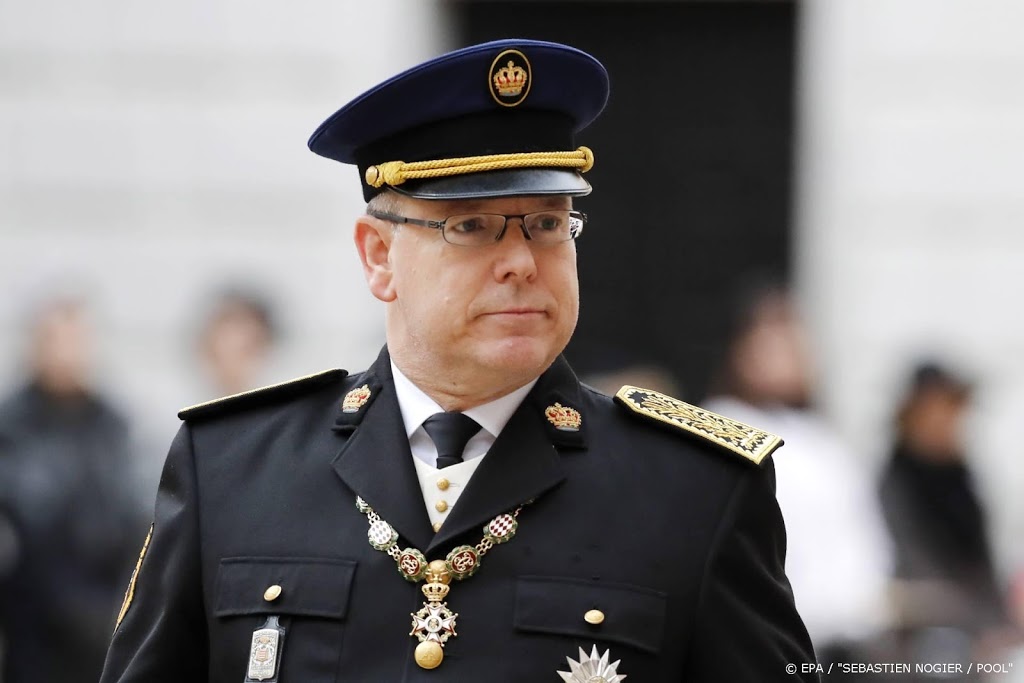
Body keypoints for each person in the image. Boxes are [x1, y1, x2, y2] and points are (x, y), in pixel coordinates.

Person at [100, 39, 817, 682]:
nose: (521, 262)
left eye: (546, 224)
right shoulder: (230, 470)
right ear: (379, 256)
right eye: (471, 226)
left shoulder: (697, 490)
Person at [703, 281, 893, 666]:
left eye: (794, 338)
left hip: (847, 645)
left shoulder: (823, 441)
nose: (788, 353)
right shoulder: (720, 426)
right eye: (771, 340)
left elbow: (863, 542)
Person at [0, 296, 146, 683]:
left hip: (102, 628)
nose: (65, 354)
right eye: (54, 340)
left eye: (75, 340)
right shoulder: (11, 427)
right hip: (31, 631)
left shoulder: (114, 426)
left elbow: (134, 518)